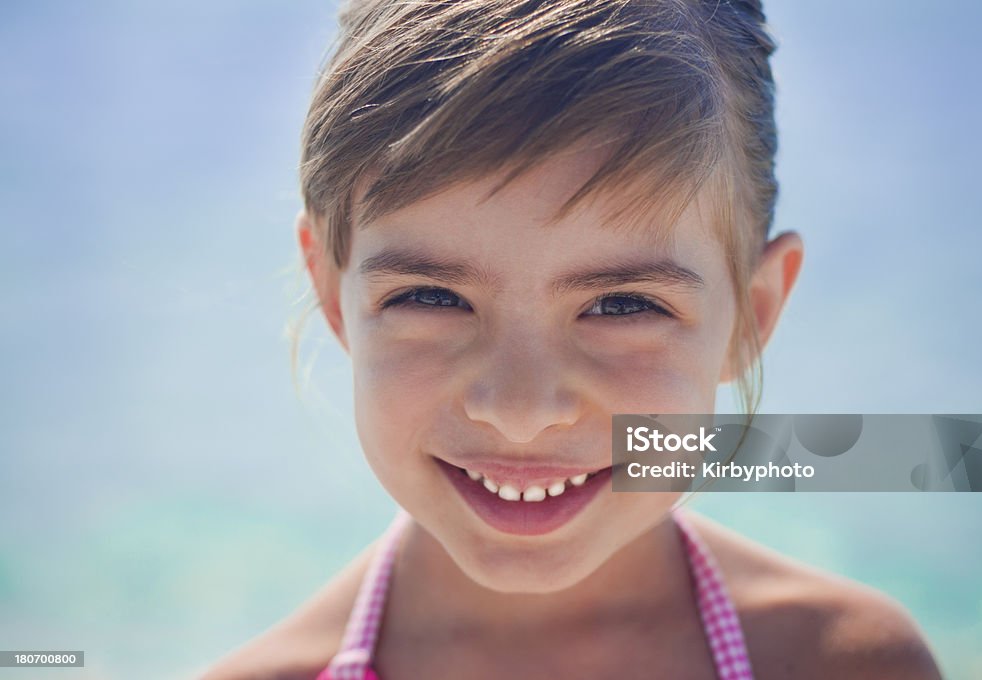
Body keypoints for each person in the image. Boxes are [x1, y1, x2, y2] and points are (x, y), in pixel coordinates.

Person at [203, 0, 942, 677]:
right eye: (431, 296)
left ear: (751, 317)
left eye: (622, 305)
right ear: (334, 297)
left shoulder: (845, 661)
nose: (522, 410)